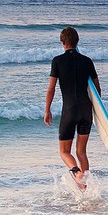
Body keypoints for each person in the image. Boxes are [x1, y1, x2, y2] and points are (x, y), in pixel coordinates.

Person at [44, 27, 101, 187]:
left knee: (64, 152)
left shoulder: (57, 61)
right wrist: (96, 113)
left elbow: (51, 88)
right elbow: (97, 89)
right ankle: (85, 187)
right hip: (86, 111)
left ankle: (76, 173)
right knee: (81, 151)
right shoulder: (87, 61)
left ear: (62, 42)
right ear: (77, 42)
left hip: (69, 111)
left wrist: (47, 110)